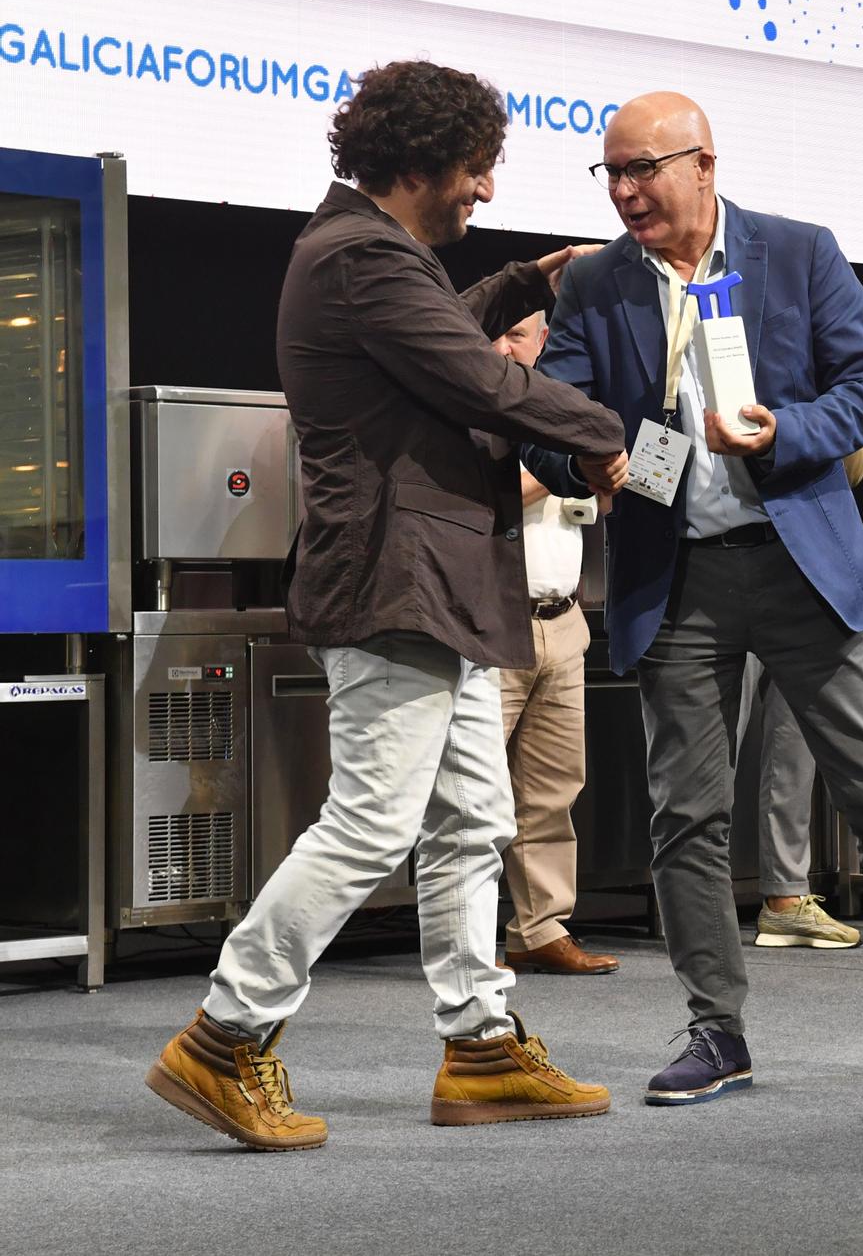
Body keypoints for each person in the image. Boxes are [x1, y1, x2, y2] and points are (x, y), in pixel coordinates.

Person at [145, 60, 629, 1151]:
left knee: (473, 821)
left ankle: (482, 1045)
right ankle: (226, 1034)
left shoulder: (364, 255)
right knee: (372, 823)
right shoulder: (360, 256)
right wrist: (604, 432)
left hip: (435, 585)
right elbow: (480, 380)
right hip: (394, 581)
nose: (484, 192)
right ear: (421, 164)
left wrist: (521, 284)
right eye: (475, 169)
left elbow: (441, 337)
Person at [523, 91, 863, 1100]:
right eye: (612, 173)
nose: (627, 191)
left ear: (704, 163)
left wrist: (788, 430)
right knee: (686, 815)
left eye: (643, 169)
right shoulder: (597, 284)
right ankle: (714, 1026)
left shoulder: (797, 251)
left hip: (801, 566)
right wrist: (588, 457)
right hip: (673, 577)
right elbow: (543, 415)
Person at [489, 310, 621, 975]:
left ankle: (541, 928)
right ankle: (458, 939)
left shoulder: (559, 410)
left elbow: (605, 501)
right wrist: (567, 465)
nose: (506, 346)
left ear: (546, 343)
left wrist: (608, 472)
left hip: (562, 619)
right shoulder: (474, 408)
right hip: (491, 619)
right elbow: (484, 500)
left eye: (521, 335)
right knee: (475, 792)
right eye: (498, 332)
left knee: (552, 787)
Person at [750, 446, 863, 952]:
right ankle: (693, 905)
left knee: (792, 750)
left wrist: (807, 429)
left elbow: (855, 470)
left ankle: (784, 898)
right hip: (708, 570)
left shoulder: (812, 378)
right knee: (704, 758)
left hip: (801, 572)